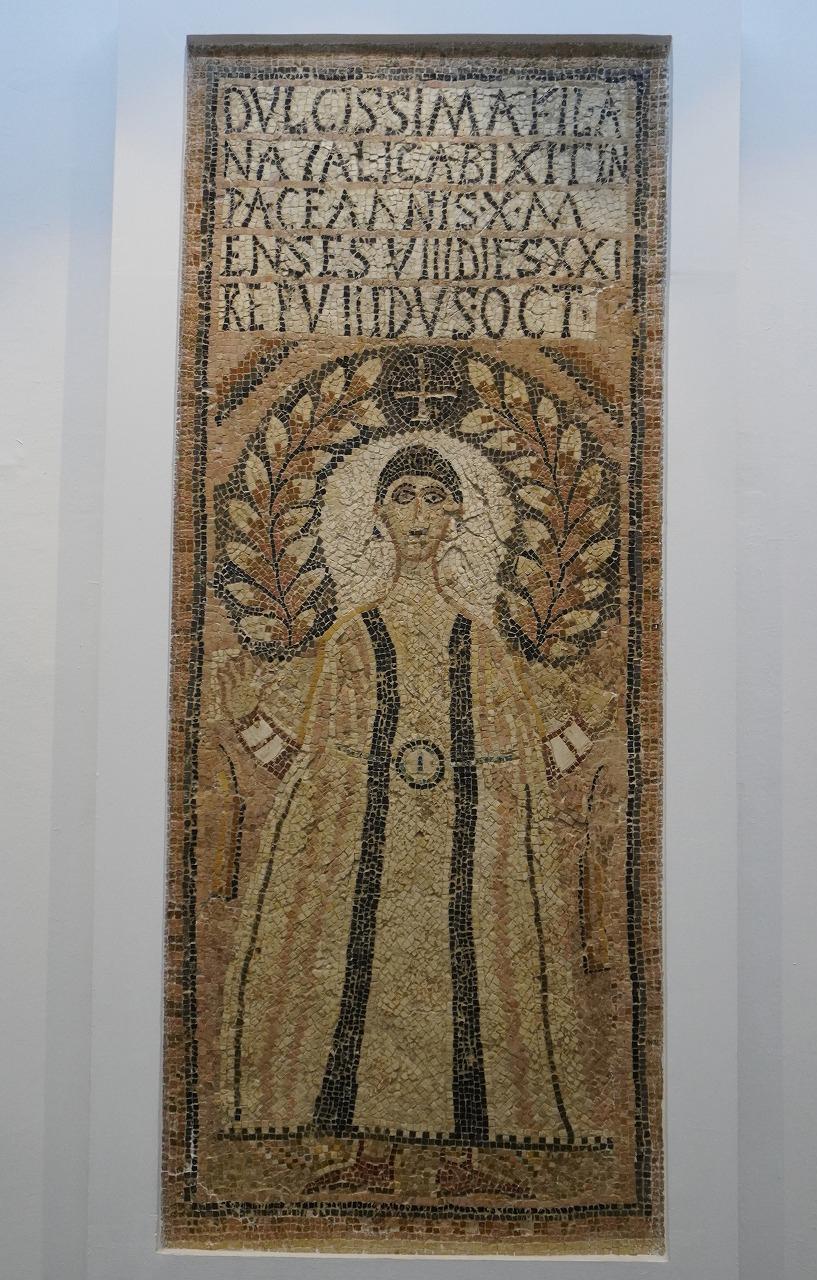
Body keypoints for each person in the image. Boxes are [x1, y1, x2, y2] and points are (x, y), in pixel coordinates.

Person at [218, 444, 596, 1197]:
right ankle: (369, 1155)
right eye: (403, 497)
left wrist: (584, 727)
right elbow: (314, 765)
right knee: (361, 981)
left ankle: (469, 1160)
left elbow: (521, 766)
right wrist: (248, 720)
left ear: (457, 516)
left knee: (471, 986)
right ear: (378, 514)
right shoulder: (353, 638)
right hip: (370, 859)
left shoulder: (478, 640)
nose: (419, 515)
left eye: (434, 498)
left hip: (465, 861)